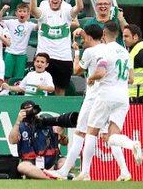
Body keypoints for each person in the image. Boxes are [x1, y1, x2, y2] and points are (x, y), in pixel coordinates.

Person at [76, 21, 143, 182]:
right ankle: (131, 144)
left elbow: (100, 72)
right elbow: (132, 79)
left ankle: (85, 172)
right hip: (123, 97)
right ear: (118, 35)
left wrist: (91, 78)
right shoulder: (126, 53)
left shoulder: (104, 51)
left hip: (106, 95)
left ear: (104, 34)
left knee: (91, 132)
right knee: (112, 136)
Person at [55, 23, 106, 179]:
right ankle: (123, 167)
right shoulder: (109, 49)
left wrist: (76, 51)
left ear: (89, 37)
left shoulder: (89, 52)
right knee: (105, 135)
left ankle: (67, 171)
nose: (83, 40)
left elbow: (76, 70)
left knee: (81, 133)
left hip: (92, 97)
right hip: (106, 96)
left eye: (84, 37)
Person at [30, 0, 83, 96]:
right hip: (45, 56)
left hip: (63, 57)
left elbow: (79, 7)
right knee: (41, 90)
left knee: (60, 91)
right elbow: (33, 10)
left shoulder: (67, 8)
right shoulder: (43, 6)